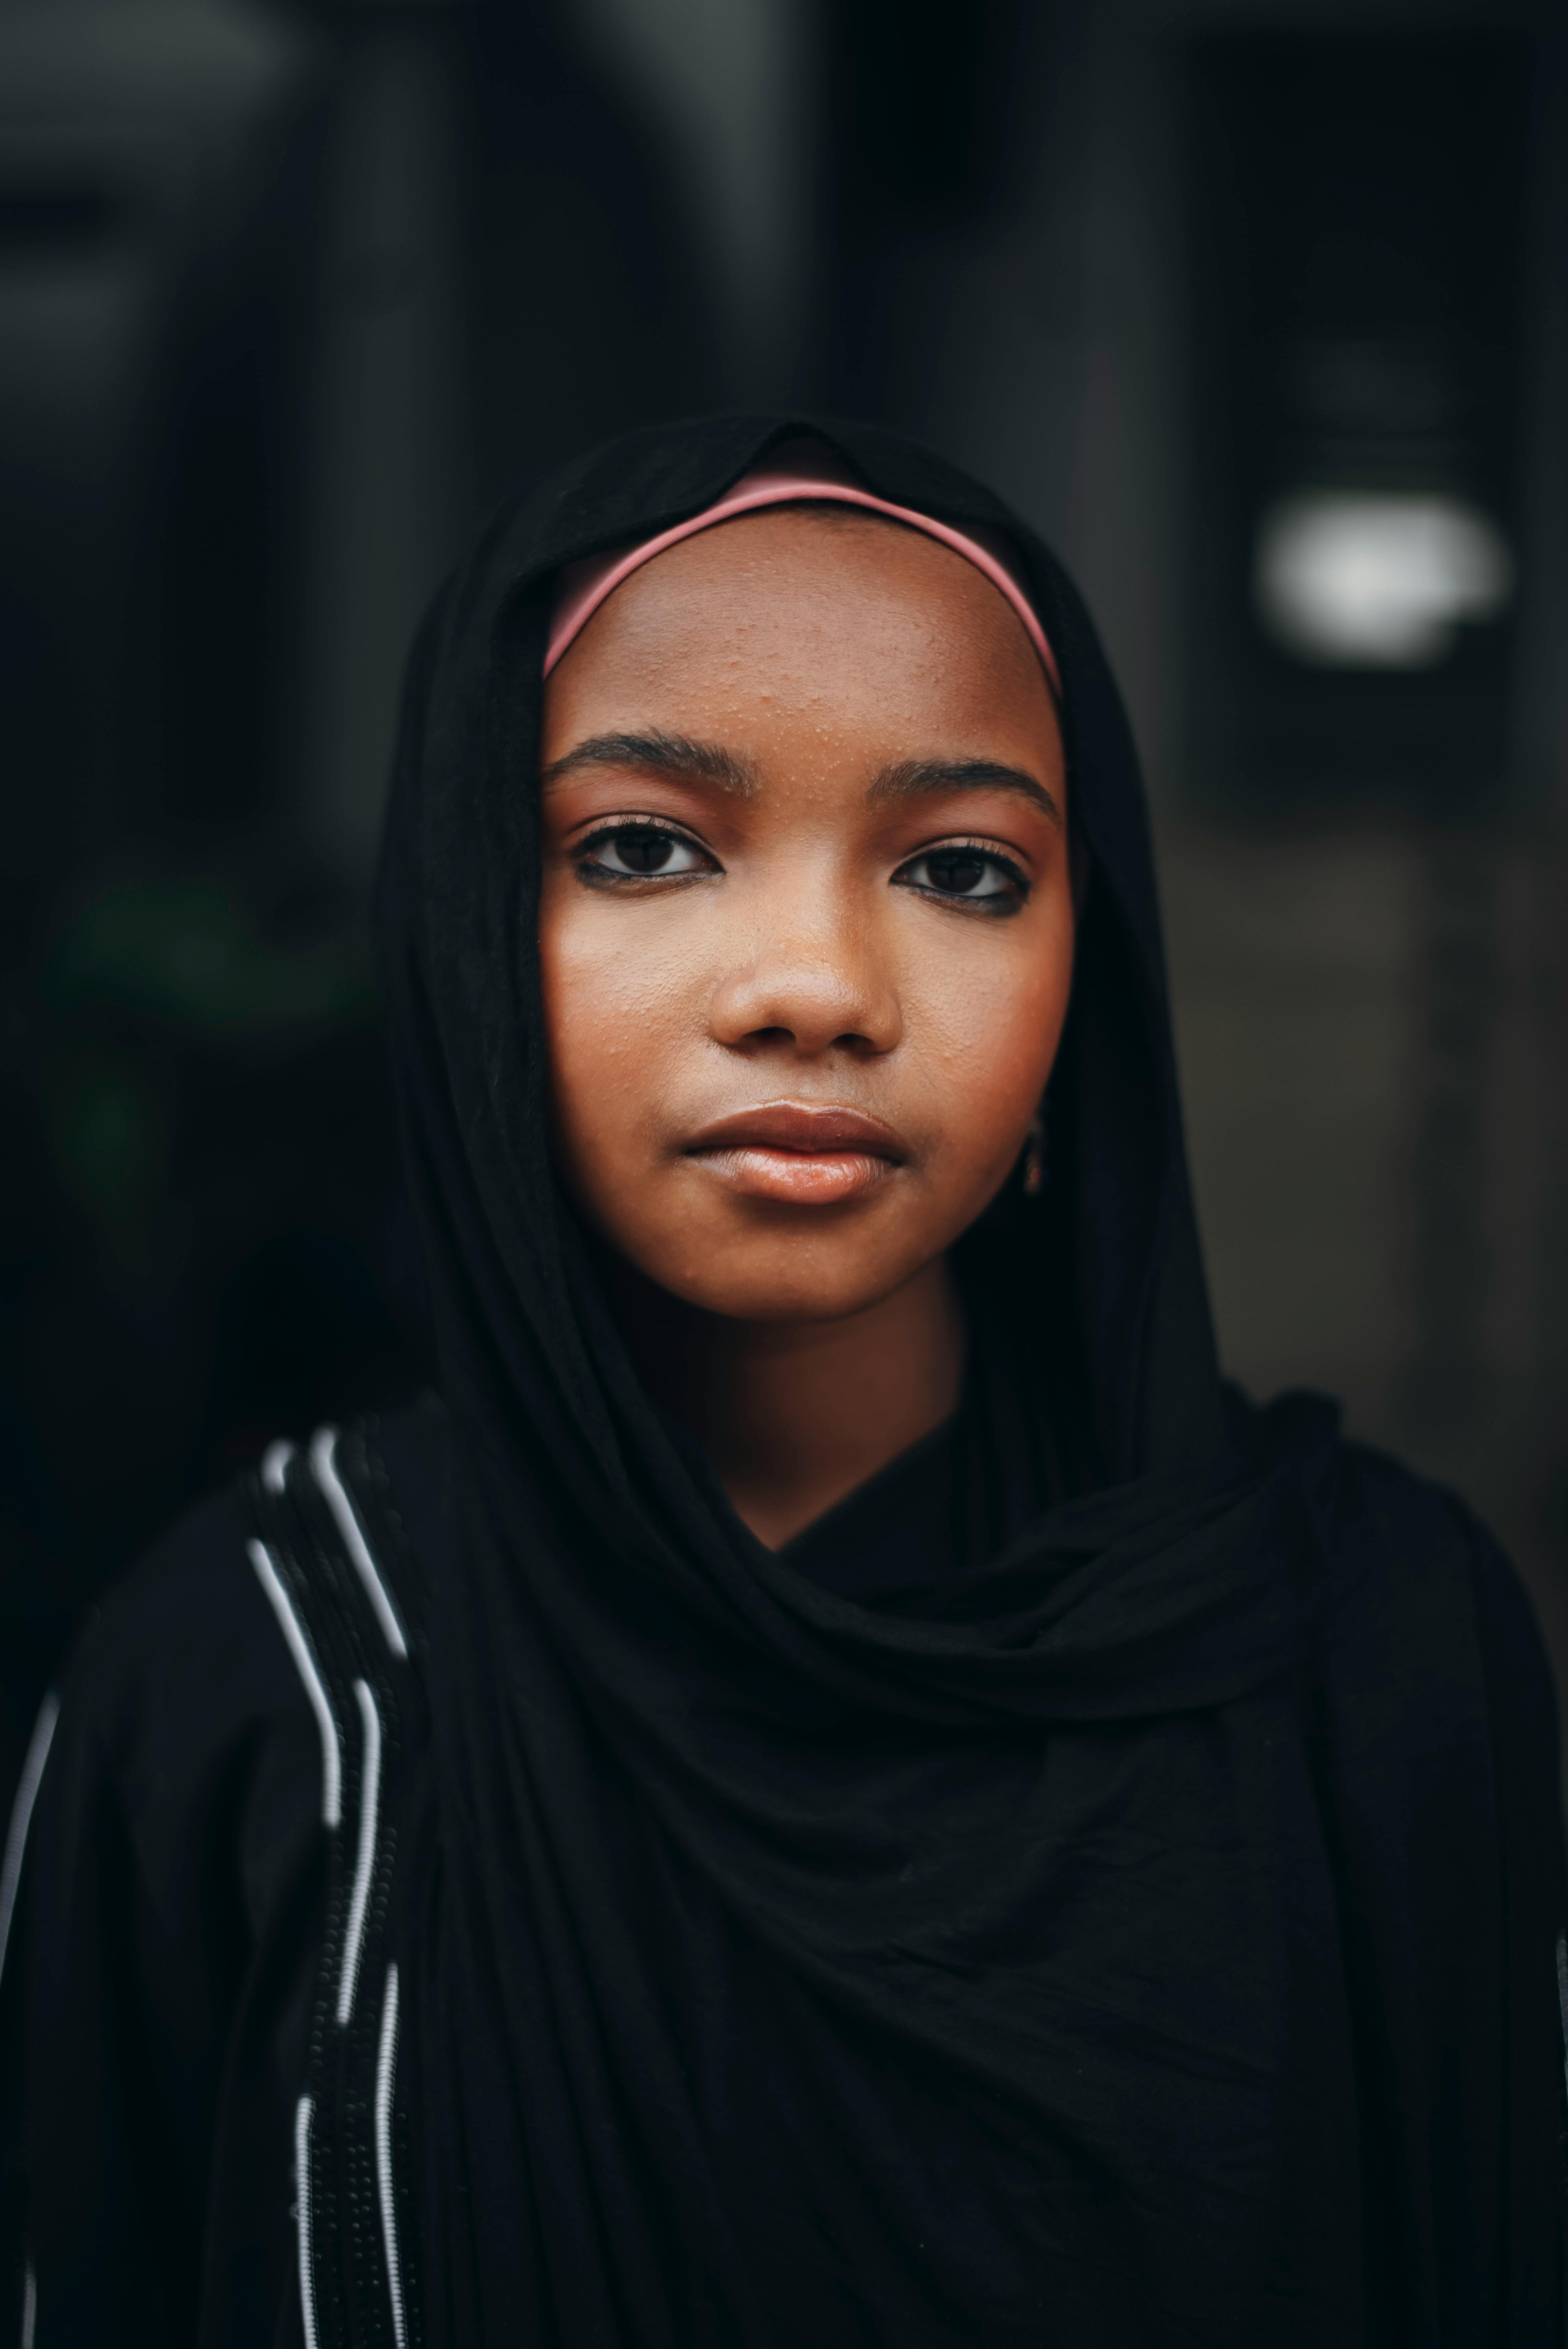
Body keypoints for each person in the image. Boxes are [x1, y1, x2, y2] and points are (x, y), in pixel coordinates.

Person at [2, 415, 1564, 2348]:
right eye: (644, 846)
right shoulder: (249, 1694)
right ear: (478, 937)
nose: (814, 984)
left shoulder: (1375, 1659)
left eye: (963, 870)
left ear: (1096, 964)